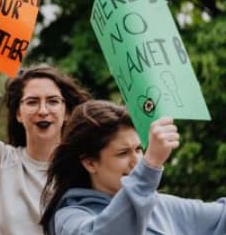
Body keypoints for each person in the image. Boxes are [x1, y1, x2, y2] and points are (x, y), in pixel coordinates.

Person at [0, 0, 92, 235]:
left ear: (66, 112)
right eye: (32, 102)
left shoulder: (86, 169)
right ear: (18, 113)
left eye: (53, 101)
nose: (43, 110)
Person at [40, 100, 226, 234]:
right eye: (123, 153)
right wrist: (150, 165)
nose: (137, 161)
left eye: (139, 149)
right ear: (90, 163)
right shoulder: (69, 218)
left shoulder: (161, 206)